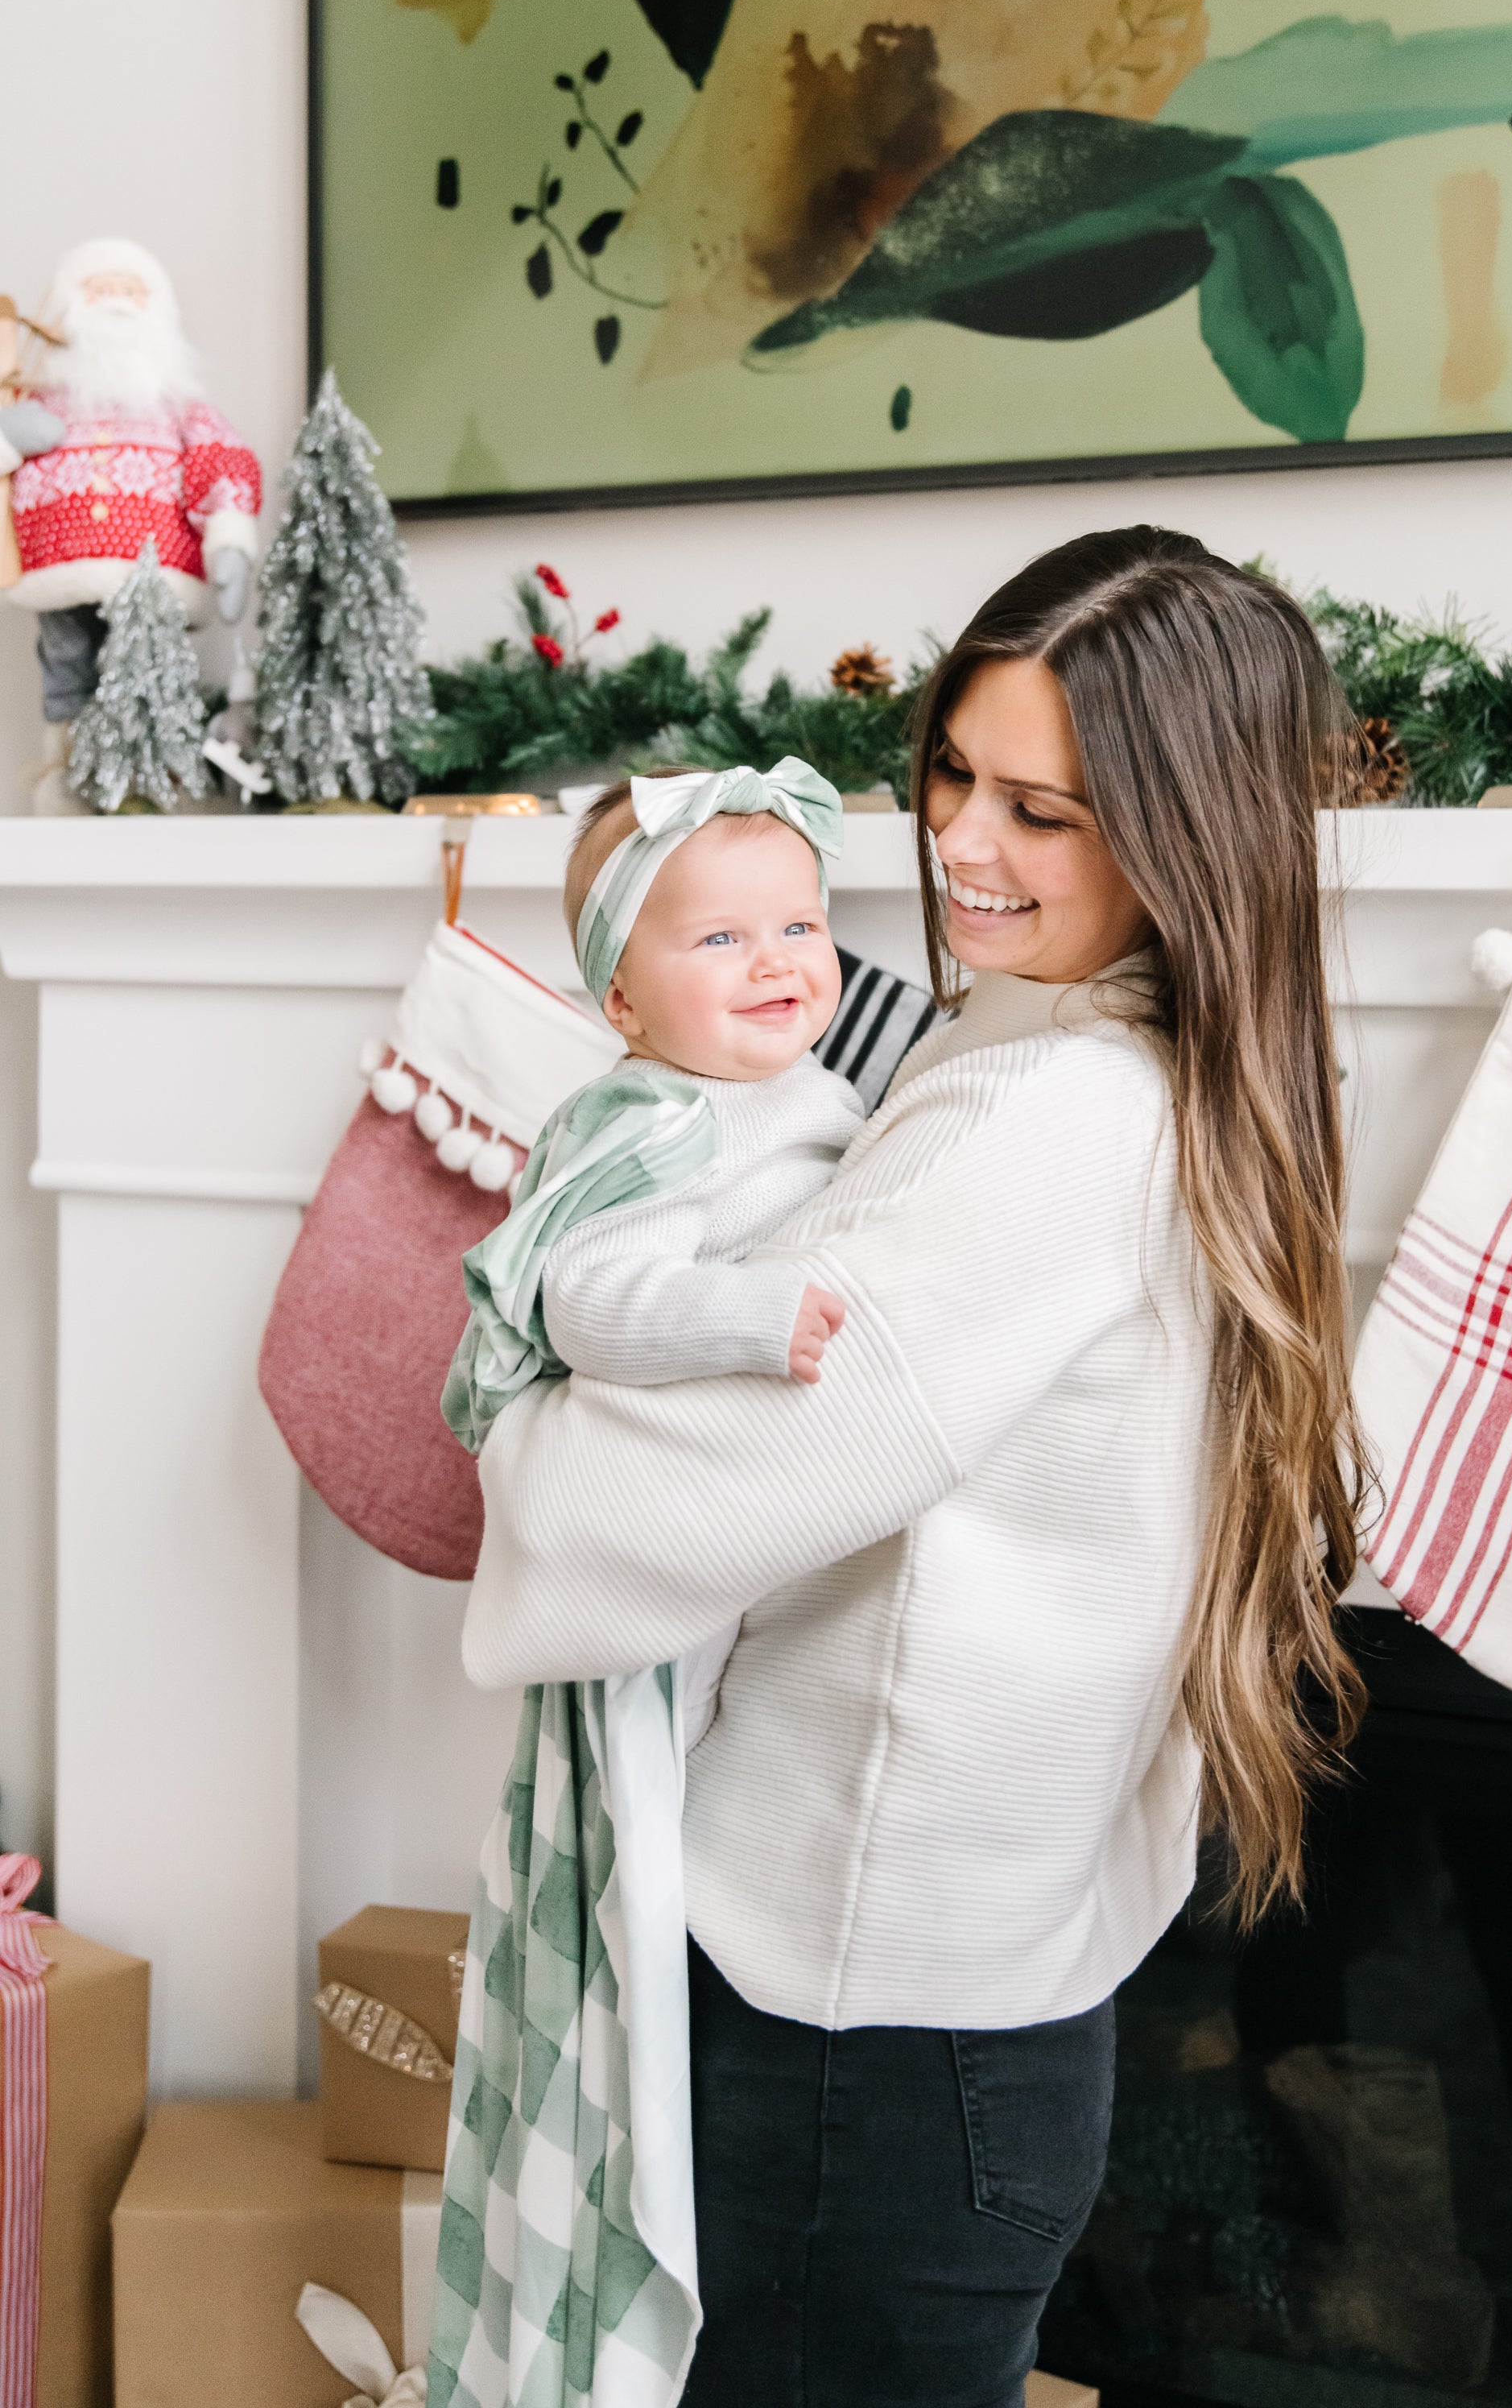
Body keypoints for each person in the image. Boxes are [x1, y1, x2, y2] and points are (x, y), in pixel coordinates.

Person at [461, 526, 1369, 2407]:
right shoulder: (1101, 1057)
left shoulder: (1045, 1122)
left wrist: (520, 1412)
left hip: (860, 2047)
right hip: (949, 2013)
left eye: (1041, 810)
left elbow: (648, 1489)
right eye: (953, 772)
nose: (959, 841)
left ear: (1183, 833)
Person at [432, 759, 865, 2408]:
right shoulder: (646, 1117)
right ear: (621, 1000)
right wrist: (753, 1320)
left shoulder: (799, 1091)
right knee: (653, 1847)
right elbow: (592, 1297)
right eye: (720, 939)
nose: (778, 963)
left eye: (800, 927)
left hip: (756, 1560)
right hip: (657, 1573)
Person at [6, 238, 262, 722]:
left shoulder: (181, 408)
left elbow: (222, 462)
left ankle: (150, 752)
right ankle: (67, 755)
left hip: (154, 571)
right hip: (57, 567)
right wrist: (7, 435)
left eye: (130, 291)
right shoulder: (40, 400)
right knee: (65, 662)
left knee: (148, 666)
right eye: (101, 290)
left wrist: (229, 543)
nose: (116, 302)